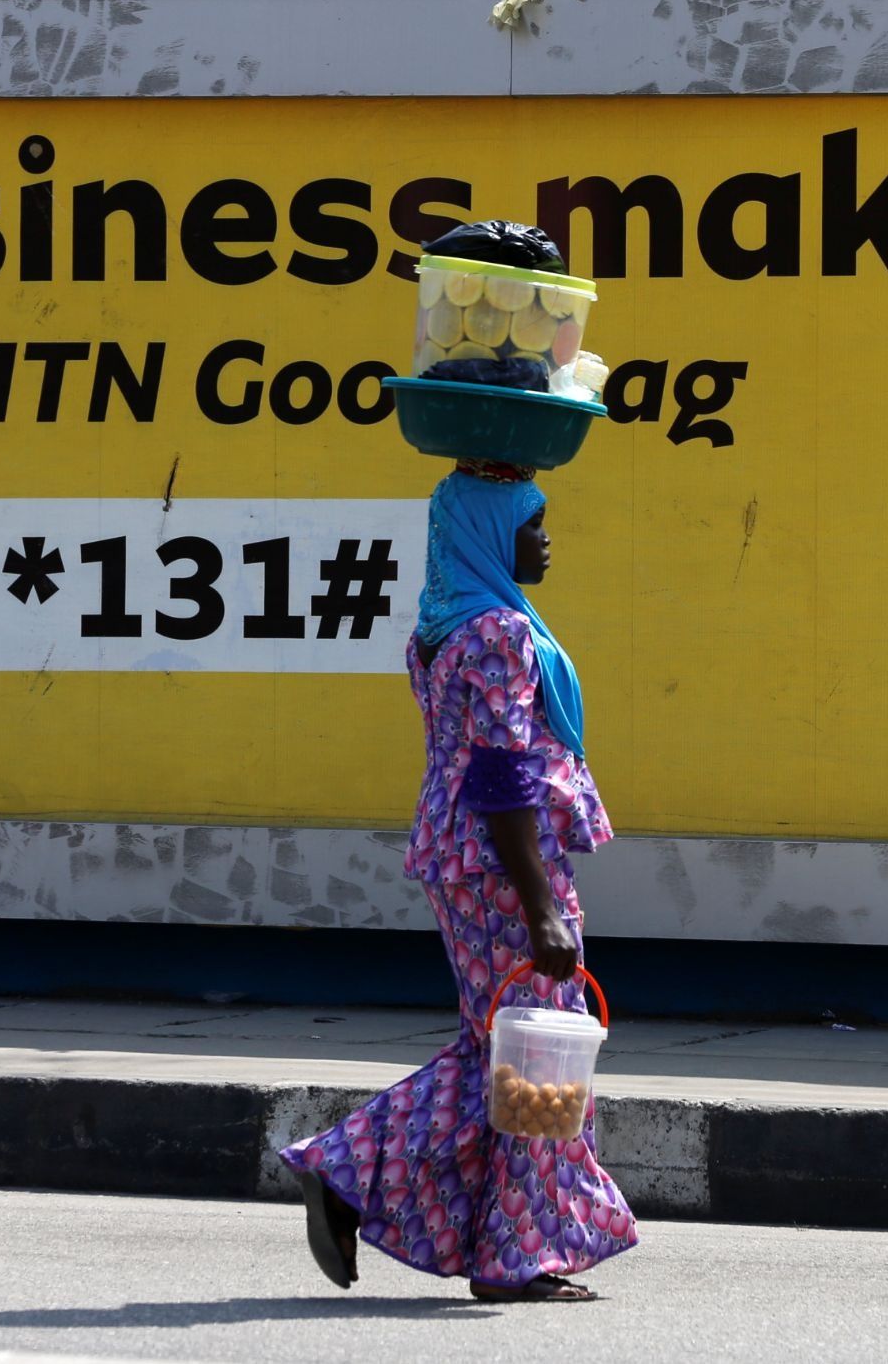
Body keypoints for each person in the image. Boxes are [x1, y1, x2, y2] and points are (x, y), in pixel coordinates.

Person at [280, 459, 636, 1303]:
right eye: (530, 520)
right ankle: (495, 1245)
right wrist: (542, 908)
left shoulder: (440, 629)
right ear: (486, 530)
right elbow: (504, 772)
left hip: (460, 858)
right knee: (539, 1049)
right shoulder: (498, 635)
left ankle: (478, 1227)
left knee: (507, 1046)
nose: (544, 538)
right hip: (502, 865)